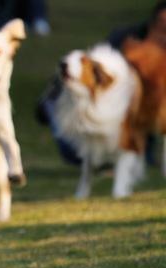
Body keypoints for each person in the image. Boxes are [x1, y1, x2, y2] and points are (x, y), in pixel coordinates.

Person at [37, 2, 166, 166]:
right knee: (75, 152)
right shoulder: (125, 39)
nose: (164, 32)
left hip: (136, 118)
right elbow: (89, 66)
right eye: (162, 25)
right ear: (152, 24)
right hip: (98, 111)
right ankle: (50, 104)